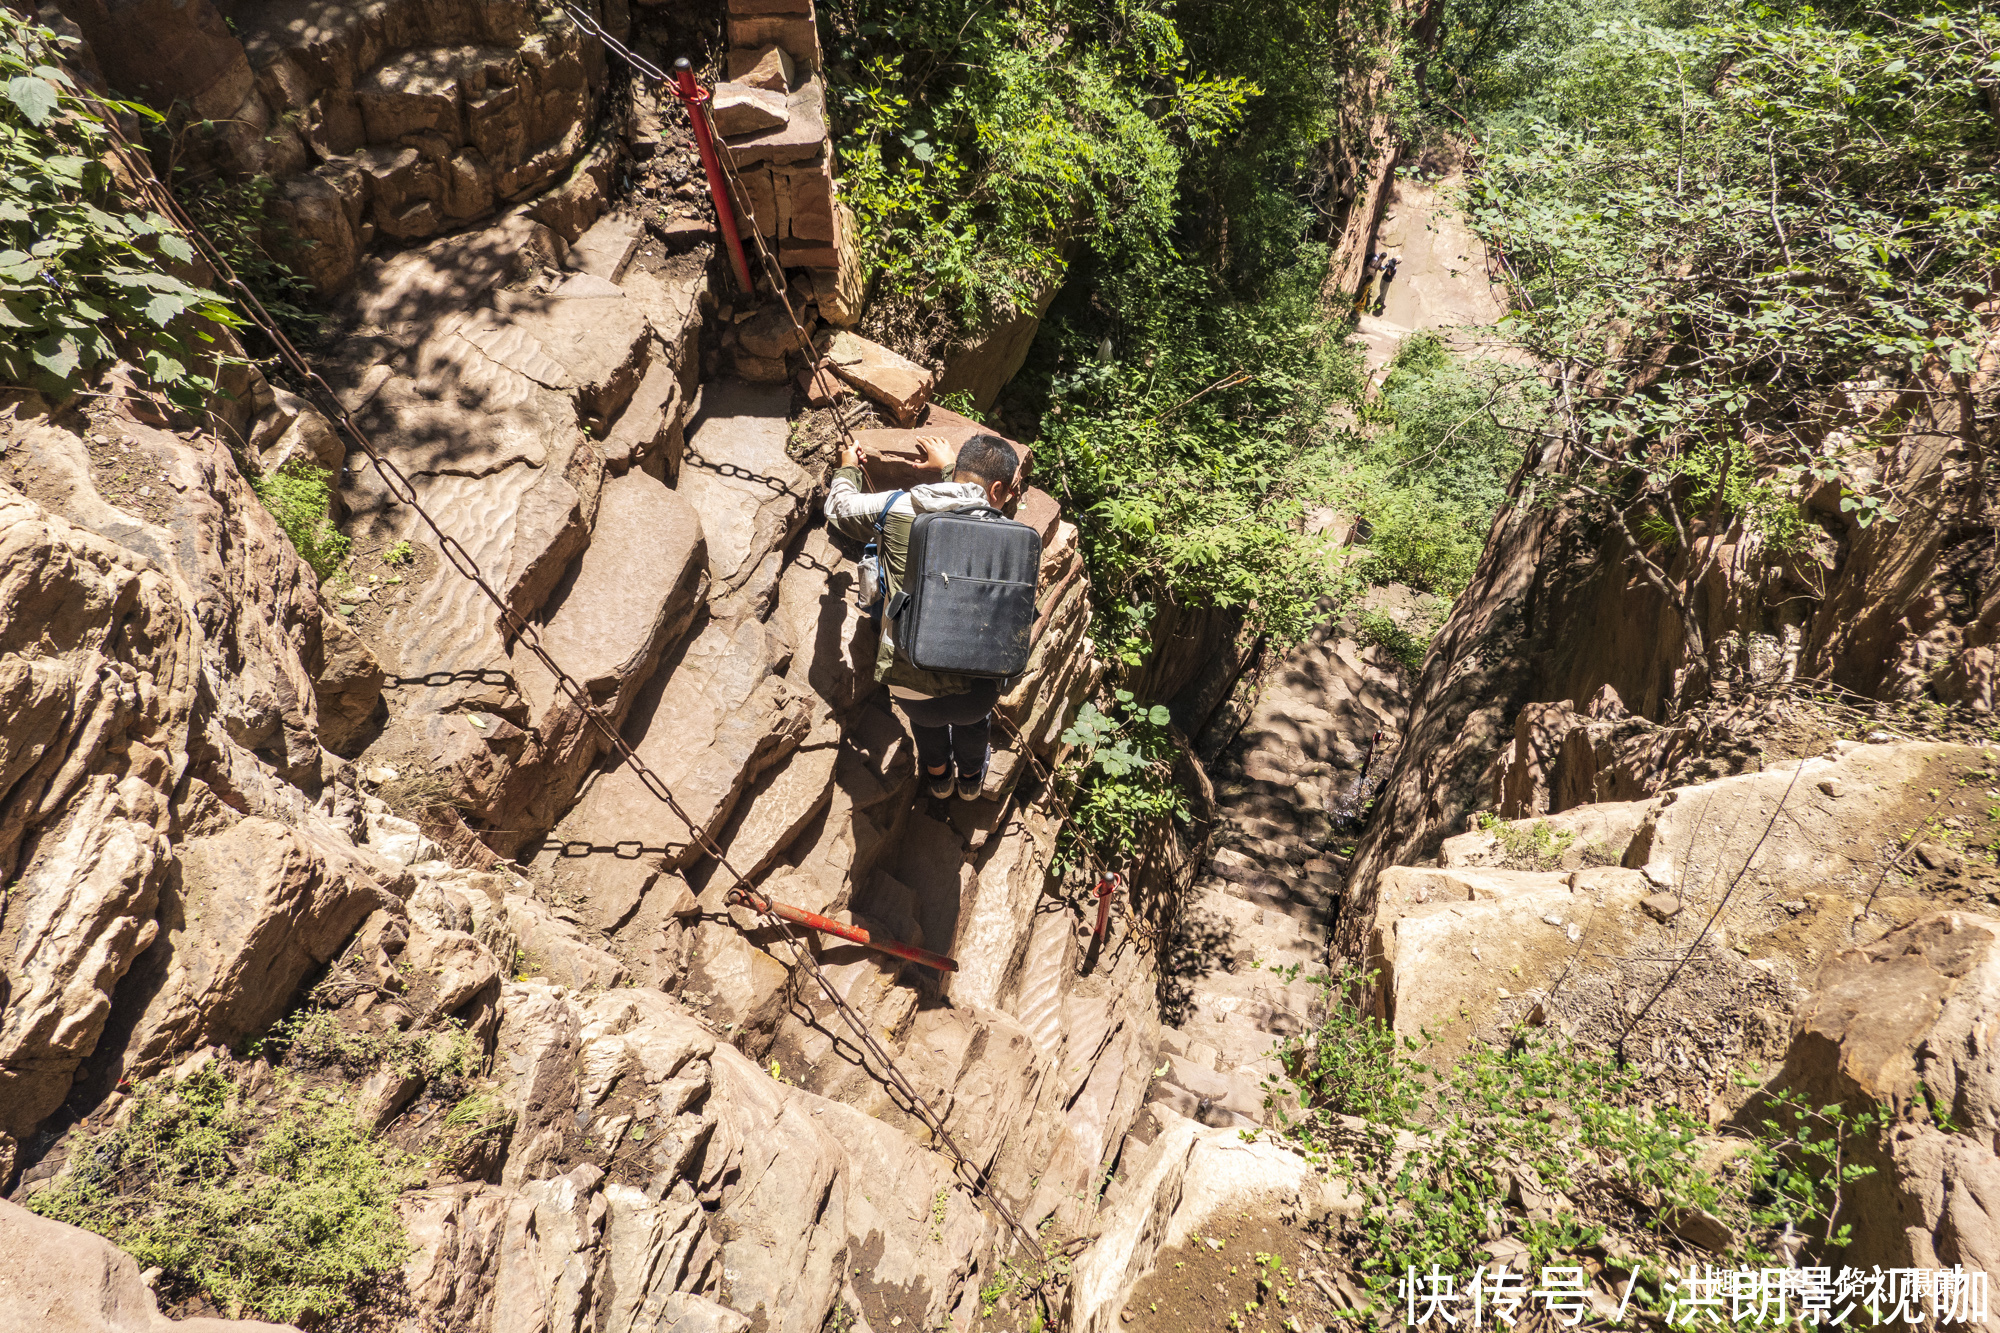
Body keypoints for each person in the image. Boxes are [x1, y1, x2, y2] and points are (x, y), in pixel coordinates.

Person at [826, 431, 1025, 800]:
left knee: (925, 719)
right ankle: (969, 780)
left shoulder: (897, 507)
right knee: (973, 722)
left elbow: (838, 509)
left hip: (907, 679)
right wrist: (951, 469)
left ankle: (937, 777)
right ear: (999, 489)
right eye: (1012, 491)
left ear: (961, 470)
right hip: (976, 692)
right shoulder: (1011, 538)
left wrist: (847, 469)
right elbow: (975, 505)